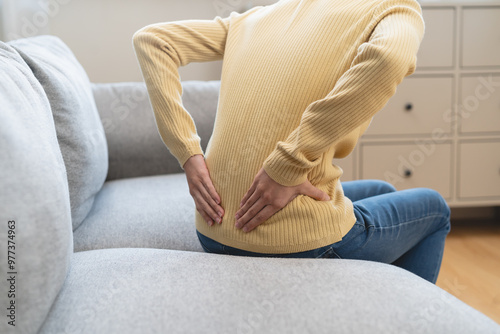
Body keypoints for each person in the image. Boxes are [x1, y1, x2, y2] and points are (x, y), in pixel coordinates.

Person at [132, 0, 451, 284]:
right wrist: (288, 164)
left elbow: (153, 40)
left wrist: (189, 154)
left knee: (382, 191)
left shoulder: (258, 16)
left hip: (213, 227)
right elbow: (389, 57)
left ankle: (360, 301)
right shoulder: (395, 9)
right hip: (294, 244)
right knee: (434, 209)